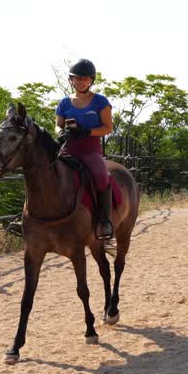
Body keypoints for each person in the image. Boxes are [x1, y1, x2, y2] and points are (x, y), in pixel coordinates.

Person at [56, 59, 116, 240]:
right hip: (68, 147)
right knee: (44, 171)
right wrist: (61, 134)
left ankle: (105, 220)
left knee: (100, 175)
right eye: (77, 78)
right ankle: (28, 219)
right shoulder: (64, 103)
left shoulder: (100, 102)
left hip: (90, 149)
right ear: (71, 80)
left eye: (85, 79)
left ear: (91, 80)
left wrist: (87, 131)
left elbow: (108, 128)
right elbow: (57, 126)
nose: (81, 82)